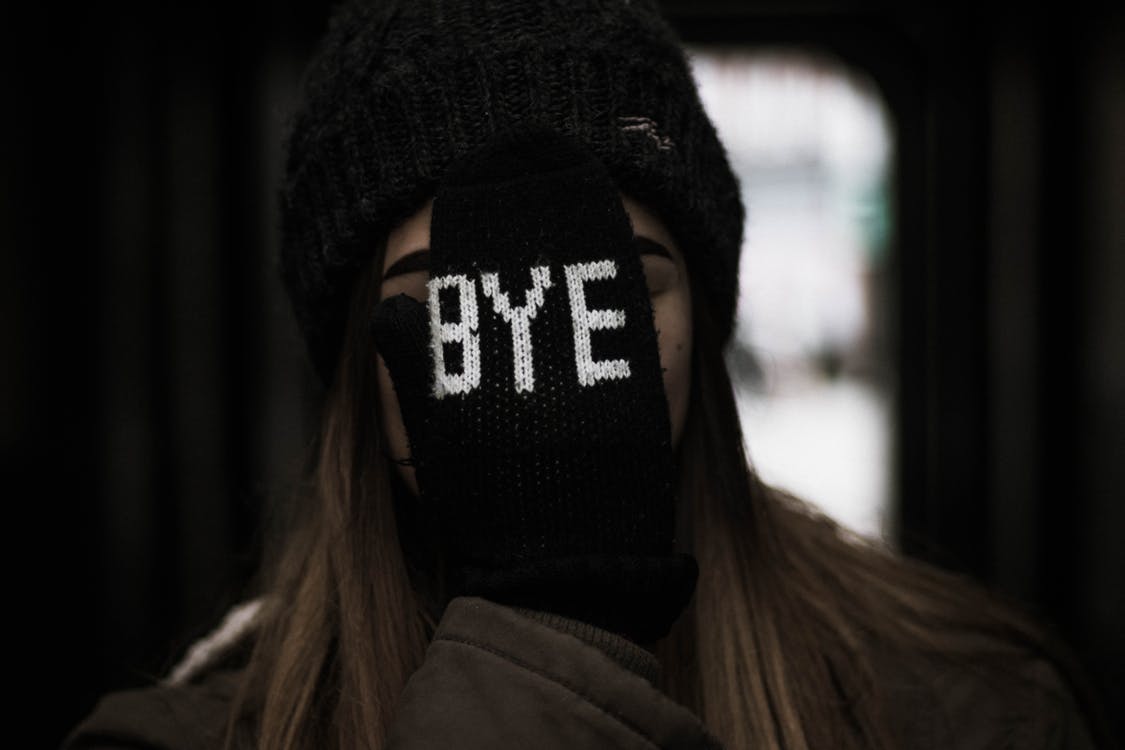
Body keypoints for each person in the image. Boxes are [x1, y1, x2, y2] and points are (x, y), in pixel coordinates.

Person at [63, 1, 1114, 748]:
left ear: (703, 323)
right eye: (453, 301)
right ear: (356, 362)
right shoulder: (186, 736)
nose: (543, 365)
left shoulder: (970, 709)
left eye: (607, 291)